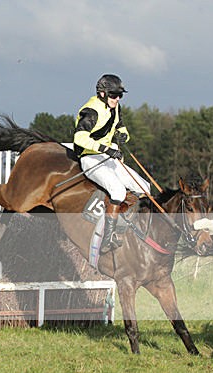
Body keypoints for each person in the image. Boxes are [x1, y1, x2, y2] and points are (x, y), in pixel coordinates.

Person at [73, 74, 150, 252]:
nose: (117, 99)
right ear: (102, 94)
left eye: (120, 95)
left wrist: (124, 135)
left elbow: (120, 126)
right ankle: (107, 240)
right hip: (90, 158)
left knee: (144, 187)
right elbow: (80, 138)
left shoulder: (115, 107)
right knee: (118, 190)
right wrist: (106, 149)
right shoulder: (91, 111)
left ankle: (125, 225)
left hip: (109, 157)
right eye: (114, 95)